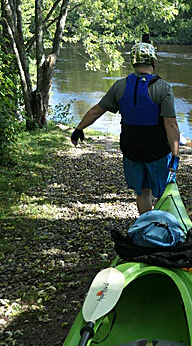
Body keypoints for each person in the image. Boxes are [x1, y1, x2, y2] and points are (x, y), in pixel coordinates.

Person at [71, 36, 180, 215]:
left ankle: (145, 225)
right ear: (153, 61)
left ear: (133, 62)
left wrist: (79, 129)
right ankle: (161, 229)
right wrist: (175, 155)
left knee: (142, 192)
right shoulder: (163, 87)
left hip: (131, 149)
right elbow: (171, 125)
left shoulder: (120, 86)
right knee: (163, 193)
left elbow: (96, 111)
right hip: (157, 150)